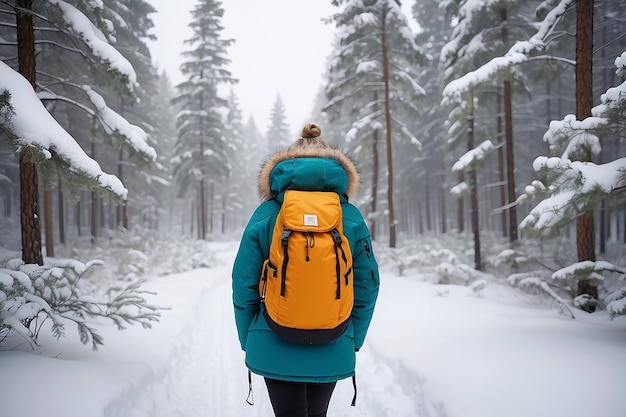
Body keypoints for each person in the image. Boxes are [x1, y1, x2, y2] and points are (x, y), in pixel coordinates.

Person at [232, 123, 380, 417]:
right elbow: (367, 284)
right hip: (333, 338)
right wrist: (354, 337)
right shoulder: (348, 216)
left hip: (274, 337)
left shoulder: (266, 214)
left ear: (286, 167)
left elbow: (243, 281)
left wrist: (248, 337)